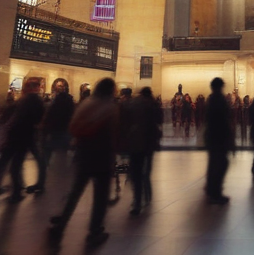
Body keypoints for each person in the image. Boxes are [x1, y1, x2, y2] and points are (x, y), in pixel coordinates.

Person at [48, 77, 119, 247]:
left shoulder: (86, 103)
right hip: (102, 156)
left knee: (75, 193)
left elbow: (72, 127)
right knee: (100, 197)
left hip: (84, 154)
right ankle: (94, 231)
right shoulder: (110, 107)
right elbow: (115, 134)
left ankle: (60, 226)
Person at [0, 77, 45, 202]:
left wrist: (8, 128)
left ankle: (17, 191)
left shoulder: (26, 101)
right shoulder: (35, 101)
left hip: (19, 135)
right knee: (16, 163)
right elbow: (38, 118)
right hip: (26, 135)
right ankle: (19, 189)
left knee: (10, 162)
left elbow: (17, 117)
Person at [126, 86, 162, 215]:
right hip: (149, 142)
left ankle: (137, 200)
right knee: (146, 171)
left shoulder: (133, 104)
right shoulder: (153, 104)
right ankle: (147, 192)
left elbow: (126, 121)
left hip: (135, 142)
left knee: (136, 172)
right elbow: (160, 120)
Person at [204, 77, 234, 204]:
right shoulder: (220, 100)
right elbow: (224, 120)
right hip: (219, 137)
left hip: (212, 136)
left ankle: (211, 189)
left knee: (213, 164)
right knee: (221, 164)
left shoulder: (211, 99)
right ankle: (216, 191)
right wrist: (229, 138)